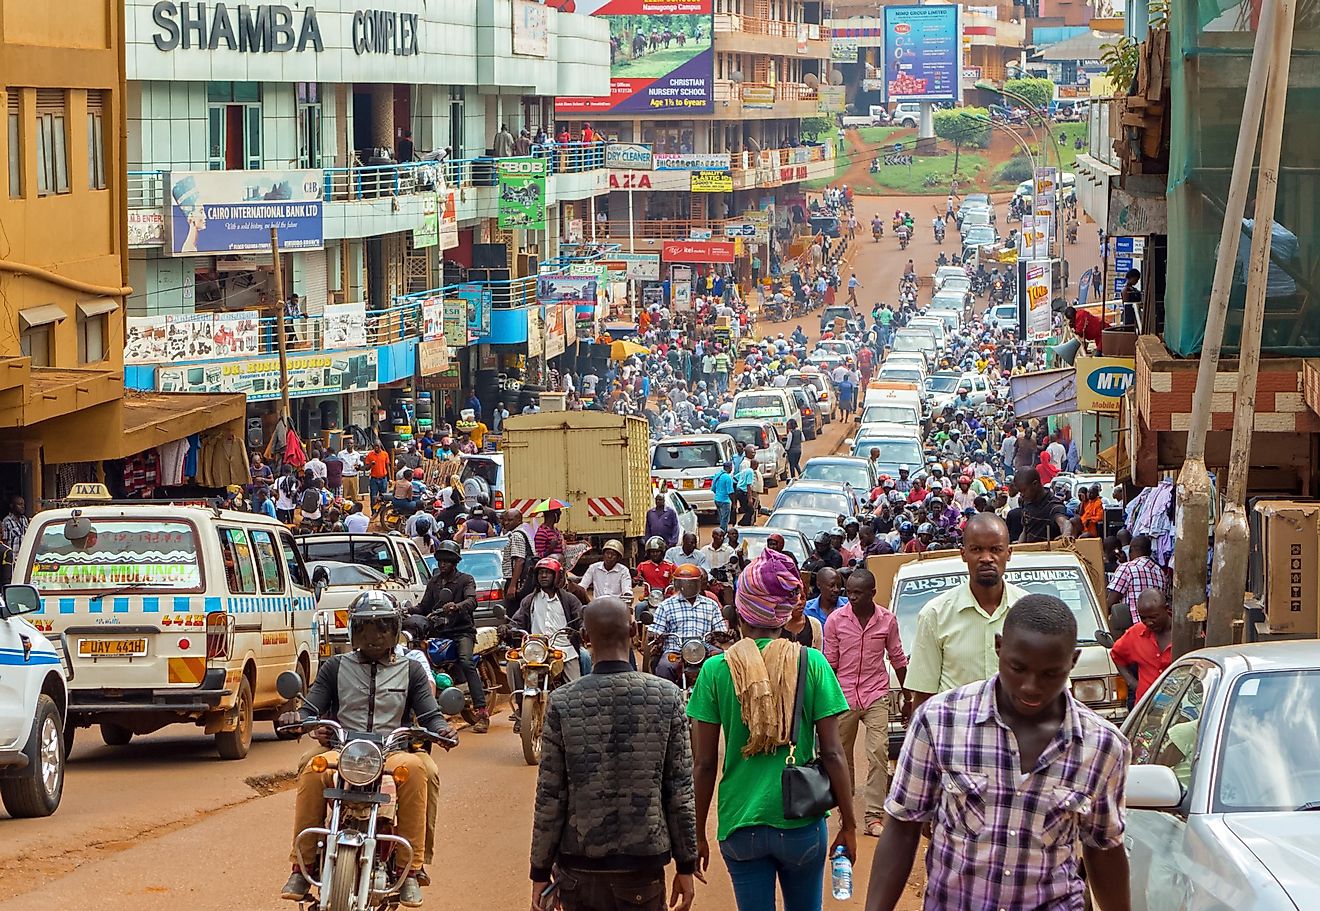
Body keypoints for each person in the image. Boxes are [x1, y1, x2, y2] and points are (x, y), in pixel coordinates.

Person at [866, 595, 1131, 911]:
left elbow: (1103, 849)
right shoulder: (940, 721)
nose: (1031, 686)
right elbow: (903, 827)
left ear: (1072, 662)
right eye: (1018, 668)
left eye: (1050, 674)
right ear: (999, 647)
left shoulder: (1102, 745)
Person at [688, 549, 857, 911]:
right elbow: (832, 752)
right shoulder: (811, 663)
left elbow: (703, 764)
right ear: (784, 613)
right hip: (801, 821)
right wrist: (850, 825)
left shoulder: (716, 670)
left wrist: (698, 832)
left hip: (739, 824)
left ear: (742, 611)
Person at [279, 592, 457, 906]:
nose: (373, 637)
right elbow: (311, 706)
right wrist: (300, 719)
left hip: (392, 752)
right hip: (344, 749)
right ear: (353, 631)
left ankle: (411, 868)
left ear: (395, 630)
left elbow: (429, 713)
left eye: (382, 628)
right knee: (311, 766)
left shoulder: (411, 670)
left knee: (422, 769)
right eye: (365, 628)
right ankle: (302, 864)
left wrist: (442, 728)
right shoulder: (334, 667)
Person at [529, 597, 698, 911]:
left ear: (585, 637)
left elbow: (550, 795)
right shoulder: (668, 696)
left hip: (578, 866)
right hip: (643, 866)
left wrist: (540, 871)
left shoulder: (563, 702)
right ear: (634, 631)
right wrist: (686, 865)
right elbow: (680, 791)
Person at [905, 514, 1028, 712]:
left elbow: (1055, 693)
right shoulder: (935, 614)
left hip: (1018, 738)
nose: (987, 558)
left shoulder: (1032, 614)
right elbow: (923, 697)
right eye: (976, 549)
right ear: (963, 554)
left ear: (1009, 553)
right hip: (956, 739)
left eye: (996, 550)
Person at [822, 568, 907, 838]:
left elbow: (897, 658)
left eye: (858, 593)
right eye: (849, 593)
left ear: (872, 593)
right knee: (840, 755)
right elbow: (829, 665)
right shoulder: (835, 621)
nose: (852, 598)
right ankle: (845, 812)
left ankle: (874, 816)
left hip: (876, 693)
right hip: (843, 696)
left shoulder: (887, 621)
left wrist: (908, 696)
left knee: (879, 751)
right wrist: (825, 703)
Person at [412, 541, 489, 732]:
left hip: (462, 631)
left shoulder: (465, 580)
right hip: (439, 631)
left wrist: (457, 606)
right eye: (440, 560)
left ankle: (482, 712)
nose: (443, 564)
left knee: (465, 661)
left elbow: (472, 601)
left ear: (454, 562)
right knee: (420, 659)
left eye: (447, 560)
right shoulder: (434, 582)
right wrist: (408, 610)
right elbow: (424, 606)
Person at [648, 563, 726, 684]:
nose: (687, 586)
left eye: (691, 583)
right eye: (683, 583)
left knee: (723, 662)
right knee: (664, 667)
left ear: (698, 584)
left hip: (704, 649)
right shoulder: (666, 605)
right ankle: (667, 698)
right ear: (677, 584)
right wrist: (655, 635)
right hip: (675, 651)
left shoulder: (711, 605)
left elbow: (720, 630)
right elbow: (655, 630)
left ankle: (720, 698)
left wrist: (720, 635)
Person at [1108, 588, 1172, 701]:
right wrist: (1133, 683)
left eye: (1153, 617)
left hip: (1179, 709)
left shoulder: (1185, 634)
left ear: (1166, 609)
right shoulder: (1135, 633)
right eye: (1143, 618)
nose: (1149, 622)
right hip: (1146, 708)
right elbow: (1116, 655)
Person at [1106, 534, 1168, 626]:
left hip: (1135, 629)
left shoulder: (1126, 568)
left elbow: (1110, 602)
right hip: (1157, 629)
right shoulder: (1160, 572)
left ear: (1130, 551)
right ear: (1150, 552)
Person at [1013, 466, 1071, 543]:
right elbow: (1025, 531)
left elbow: (1065, 523)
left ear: (1035, 484)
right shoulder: (1027, 502)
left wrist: (1066, 535)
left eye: (1023, 490)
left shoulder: (1053, 505)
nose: (1022, 495)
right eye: (1020, 492)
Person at [502, 507, 537, 616]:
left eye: (510, 520)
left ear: (519, 521)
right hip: (524, 581)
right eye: (505, 519)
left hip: (517, 582)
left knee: (514, 614)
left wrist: (512, 586)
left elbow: (519, 560)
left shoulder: (517, 536)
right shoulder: (526, 532)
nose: (506, 523)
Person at [1, 495, 27, 584]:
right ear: (12, 506)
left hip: (23, 559)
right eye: (19, 504)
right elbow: (5, 543)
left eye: (23, 504)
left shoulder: (24, 520)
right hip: (12, 561)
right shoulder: (7, 521)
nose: (23, 506)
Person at [363, 441, 392, 506]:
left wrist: (390, 479)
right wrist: (371, 464)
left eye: (377, 446)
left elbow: (387, 467)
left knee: (384, 497)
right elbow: (366, 468)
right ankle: (373, 513)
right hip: (374, 479)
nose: (376, 447)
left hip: (383, 479)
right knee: (373, 496)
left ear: (380, 446)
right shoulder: (370, 454)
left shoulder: (385, 454)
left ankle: (382, 512)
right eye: (375, 446)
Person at [712, 461, 736, 531]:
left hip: (717, 499)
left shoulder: (717, 475)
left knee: (721, 518)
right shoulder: (728, 477)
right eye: (731, 467)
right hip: (725, 501)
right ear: (729, 468)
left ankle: (722, 531)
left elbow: (713, 488)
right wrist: (734, 503)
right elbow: (730, 492)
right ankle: (722, 532)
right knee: (725, 519)